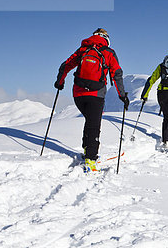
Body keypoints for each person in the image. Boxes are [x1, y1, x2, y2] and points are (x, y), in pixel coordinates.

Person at [54, 28, 129, 171]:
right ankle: (91, 159)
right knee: (94, 125)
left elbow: (65, 65)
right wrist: (122, 95)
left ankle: (86, 149)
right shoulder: (108, 52)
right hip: (96, 94)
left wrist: (60, 82)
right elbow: (117, 74)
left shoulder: (83, 49)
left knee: (90, 121)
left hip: (78, 94)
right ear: (106, 38)